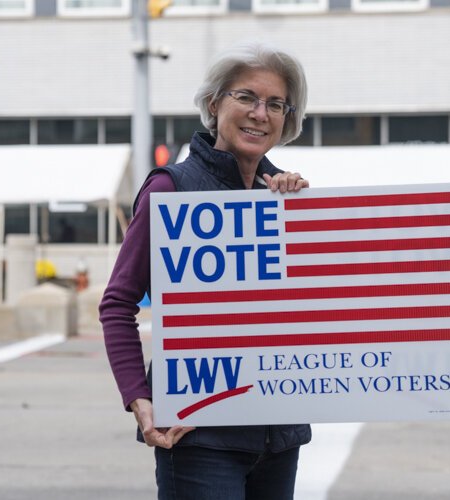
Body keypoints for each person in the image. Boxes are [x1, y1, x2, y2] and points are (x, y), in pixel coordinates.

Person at [99, 42, 311, 500]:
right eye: (246, 97)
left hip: (280, 436)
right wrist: (141, 400)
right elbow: (118, 304)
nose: (260, 113)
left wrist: (301, 214)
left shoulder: (289, 202)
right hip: (200, 437)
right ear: (214, 105)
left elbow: (308, 308)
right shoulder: (171, 189)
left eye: (275, 104)